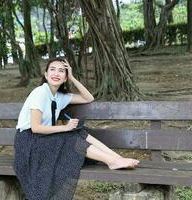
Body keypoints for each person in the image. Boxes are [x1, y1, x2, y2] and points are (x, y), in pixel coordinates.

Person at [13, 57, 139, 200]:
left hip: (42, 140)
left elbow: (88, 98)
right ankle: (111, 161)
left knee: (78, 132)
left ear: (65, 77)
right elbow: (35, 128)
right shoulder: (40, 92)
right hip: (28, 143)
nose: (56, 73)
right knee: (70, 136)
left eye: (61, 71)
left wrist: (72, 77)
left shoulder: (59, 96)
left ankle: (116, 158)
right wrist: (64, 128)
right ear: (46, 75)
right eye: (52, 70)